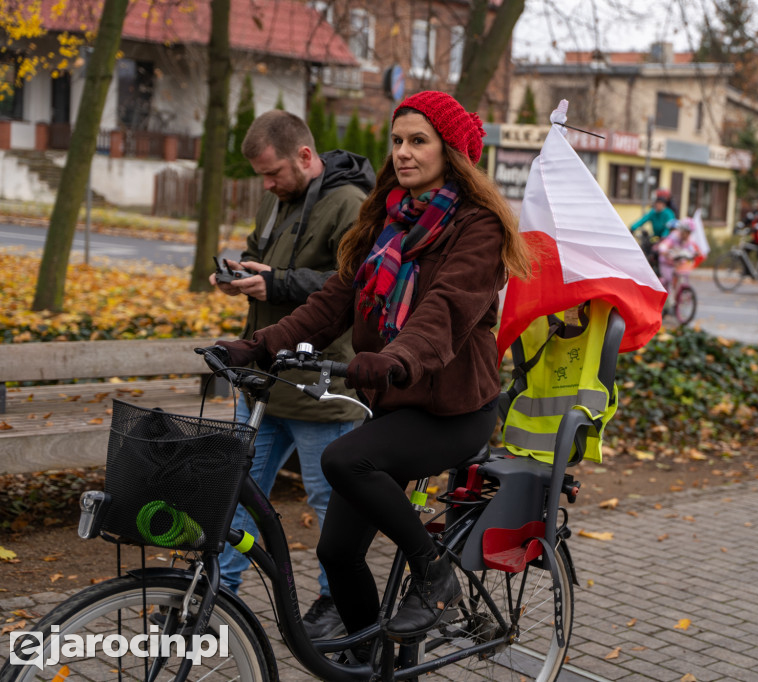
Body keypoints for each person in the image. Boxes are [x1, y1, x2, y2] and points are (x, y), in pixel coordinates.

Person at [210, 91, 532, 643]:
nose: (403, 152)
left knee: (344, 459)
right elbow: (332, 302)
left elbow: (446, 309)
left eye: (418, 140)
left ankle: (435, 574)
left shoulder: (478, 228)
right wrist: (257, 346)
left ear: (450, 150)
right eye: (398, 140)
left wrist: (394, 358)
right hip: (399, 404)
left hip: (455, 409)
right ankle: (378, 664)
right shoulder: (385, 220)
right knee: (337, 554)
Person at [209, 110, 375, 638]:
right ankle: (216, 594)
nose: (267, 183)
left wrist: (278, 284)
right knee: (236, 490)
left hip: (318, 387)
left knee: (329, 503)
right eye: (261, 175)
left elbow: (354, 284)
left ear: (305, 156)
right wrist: (243, 275)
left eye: (273, 172)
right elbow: (264, 257)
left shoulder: (350, 204)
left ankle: (335, 605)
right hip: (264, 378)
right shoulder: (277, 198)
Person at [655, 218, 697, 289]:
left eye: (689, 233)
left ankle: (678, 295)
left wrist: (694, 253)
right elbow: (665, 245)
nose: (688, 235)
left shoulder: (687, 239)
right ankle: (659, 289)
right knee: (668, 280)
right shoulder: (674, 236)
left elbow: (691, 248)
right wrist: (664, 250)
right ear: (682, 230)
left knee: (681, 278)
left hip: (677, 264)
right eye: (687, 232)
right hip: (666, 263)